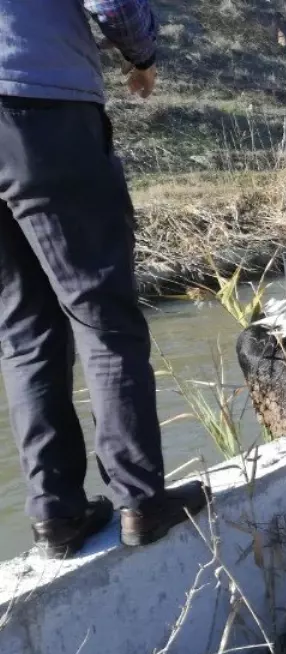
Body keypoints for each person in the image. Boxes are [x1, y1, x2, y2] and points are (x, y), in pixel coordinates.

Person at [0, 0, 209, 560]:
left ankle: (56, 515)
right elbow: (113, 3)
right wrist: (141, 57)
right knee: (101, 315)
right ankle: (140, 499)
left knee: (22, 332)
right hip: (40, 111)